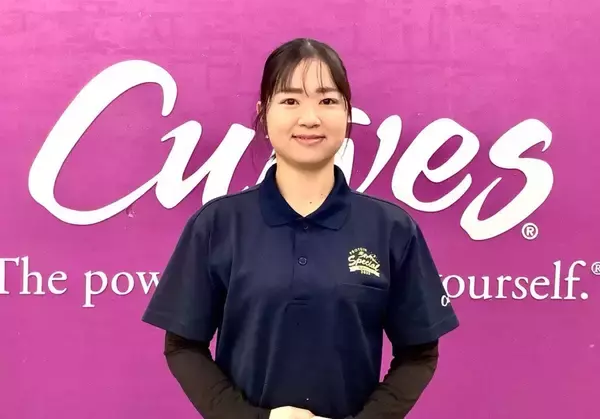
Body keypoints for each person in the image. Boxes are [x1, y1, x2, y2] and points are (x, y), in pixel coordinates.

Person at [141, 38, 459, 419]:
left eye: (327, 101)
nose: (310, 118)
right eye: (290, 100)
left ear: (348, 112)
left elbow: (420, 353)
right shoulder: (217, 225)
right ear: (264, 112)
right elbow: (182, 345)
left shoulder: (391, 229)